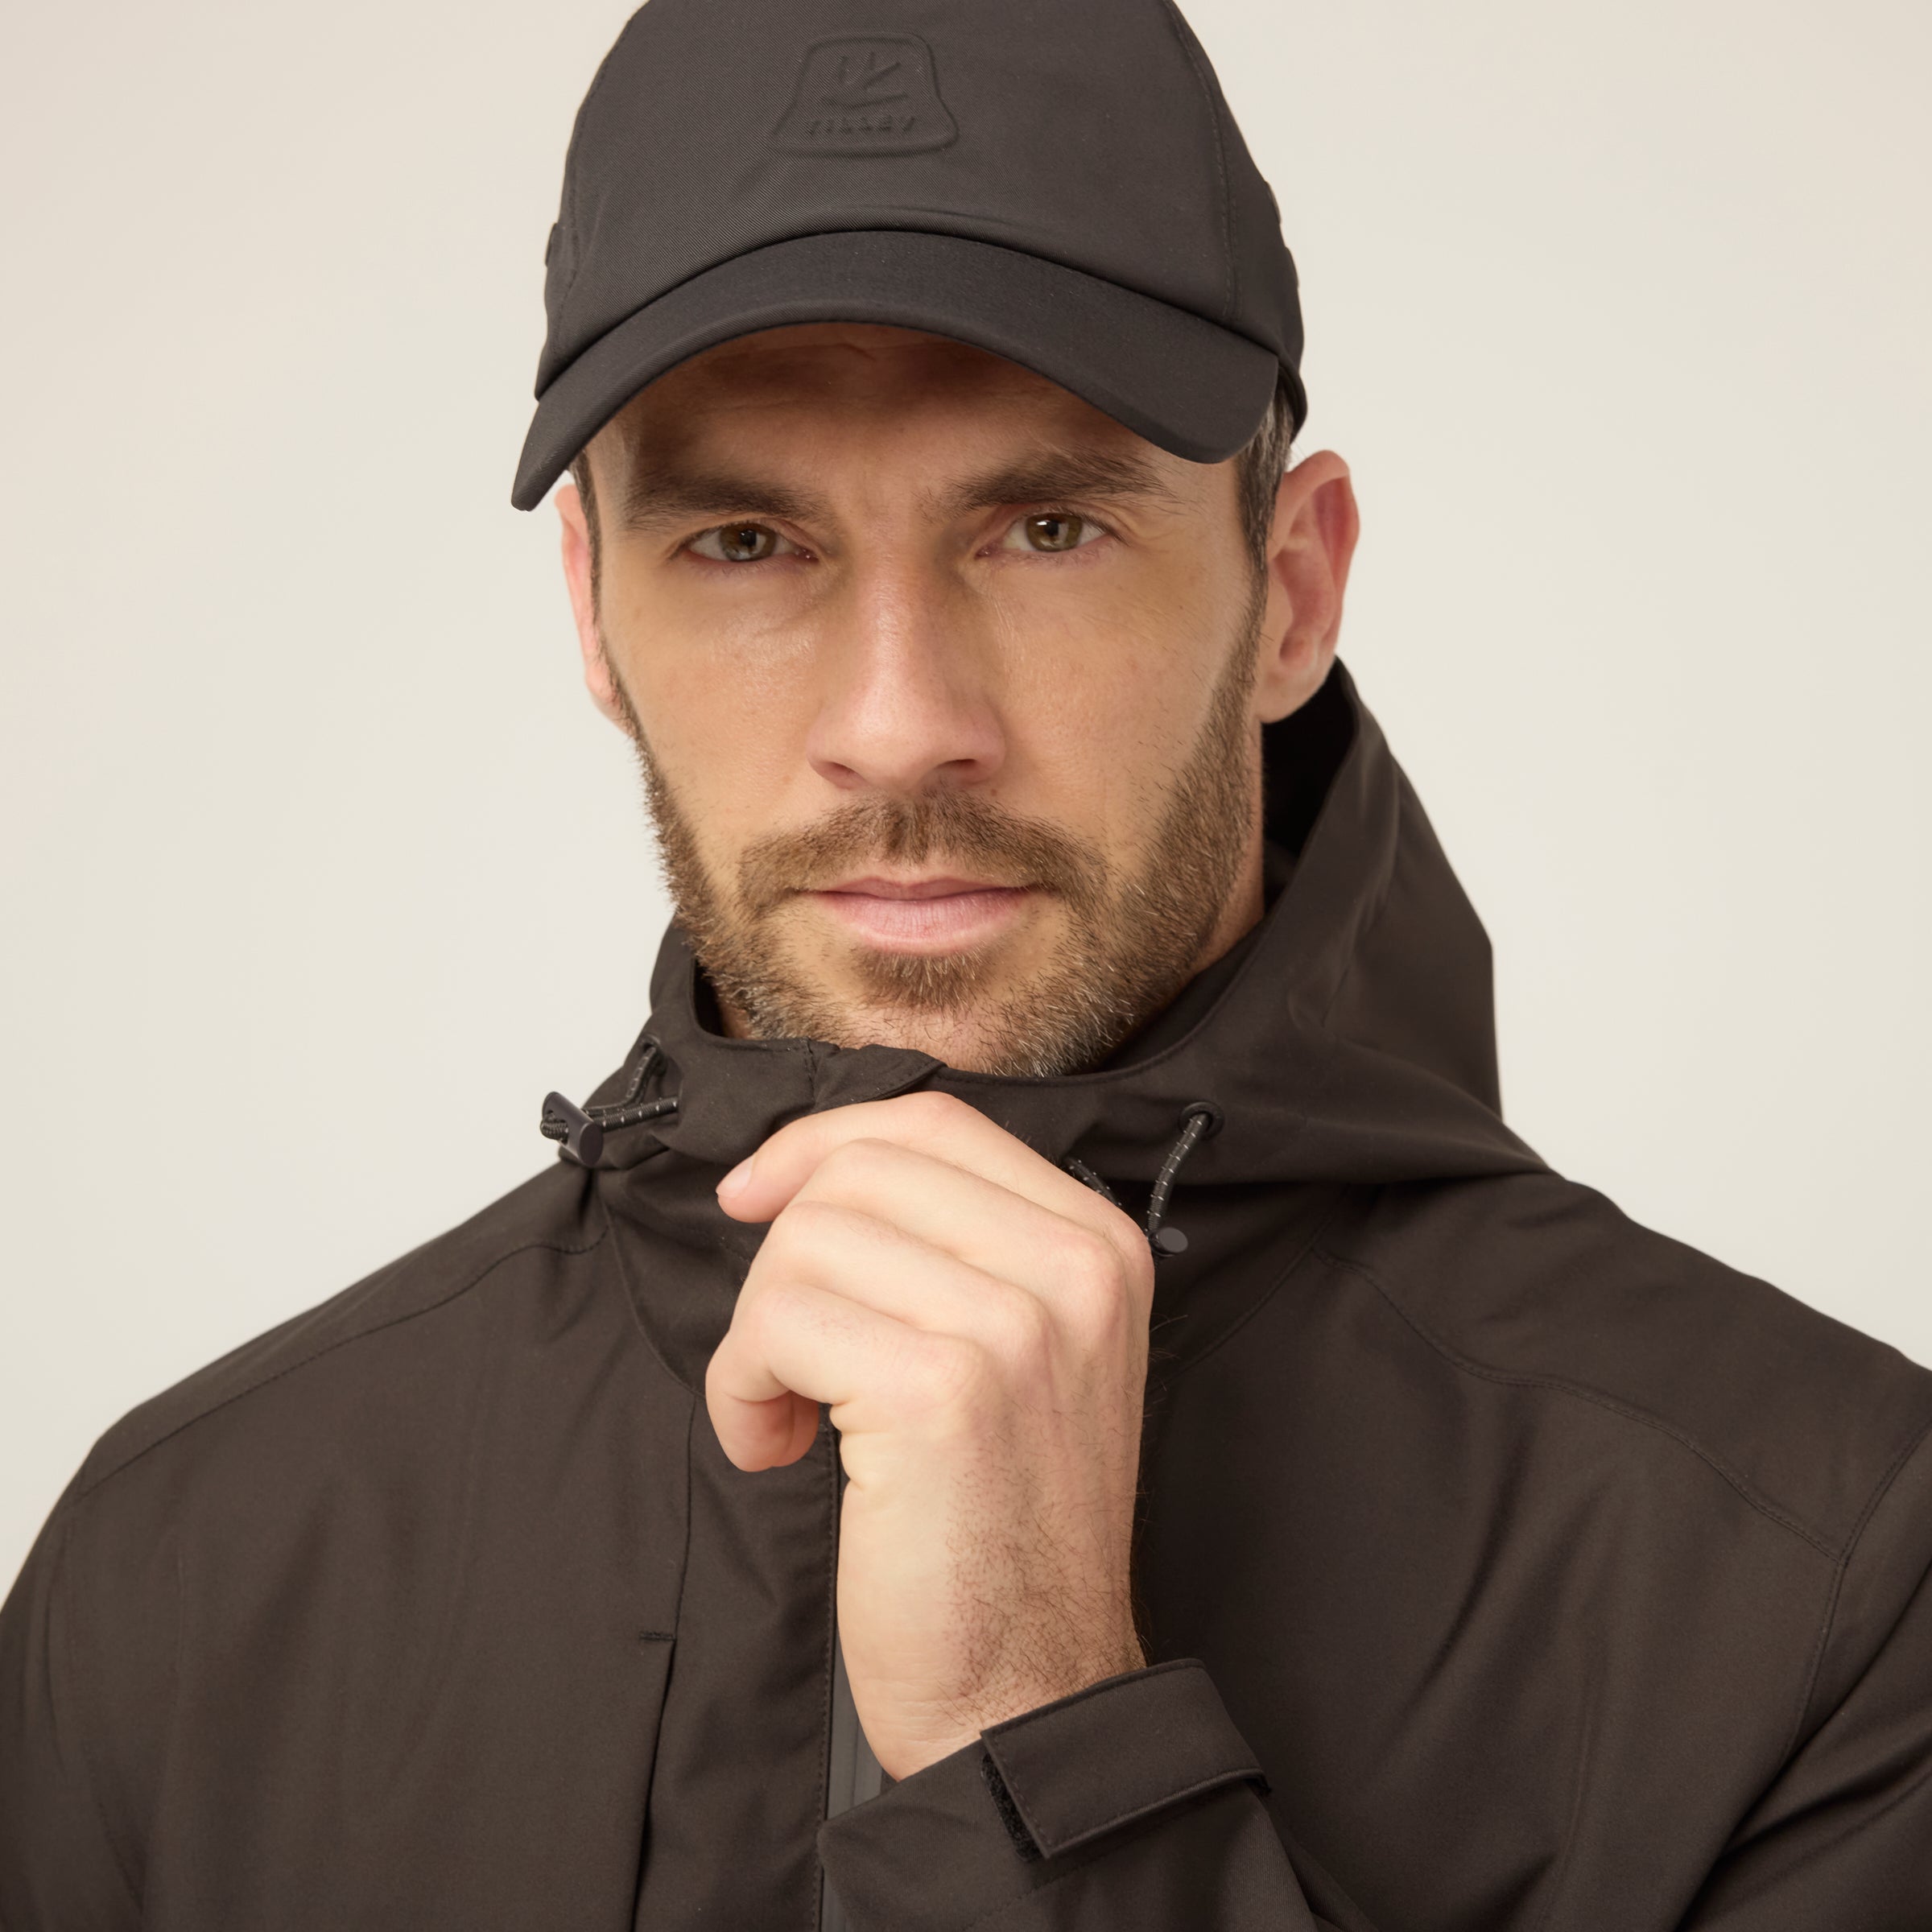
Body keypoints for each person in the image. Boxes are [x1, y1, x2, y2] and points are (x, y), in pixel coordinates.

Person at [3, 0, 1929, 1925]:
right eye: (745, 541)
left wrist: (1046, 1736)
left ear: (1292, 592)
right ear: (594, 612)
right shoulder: (177, 1575)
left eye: (1048, 528)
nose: (901, 726)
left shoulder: (1834, 1585)